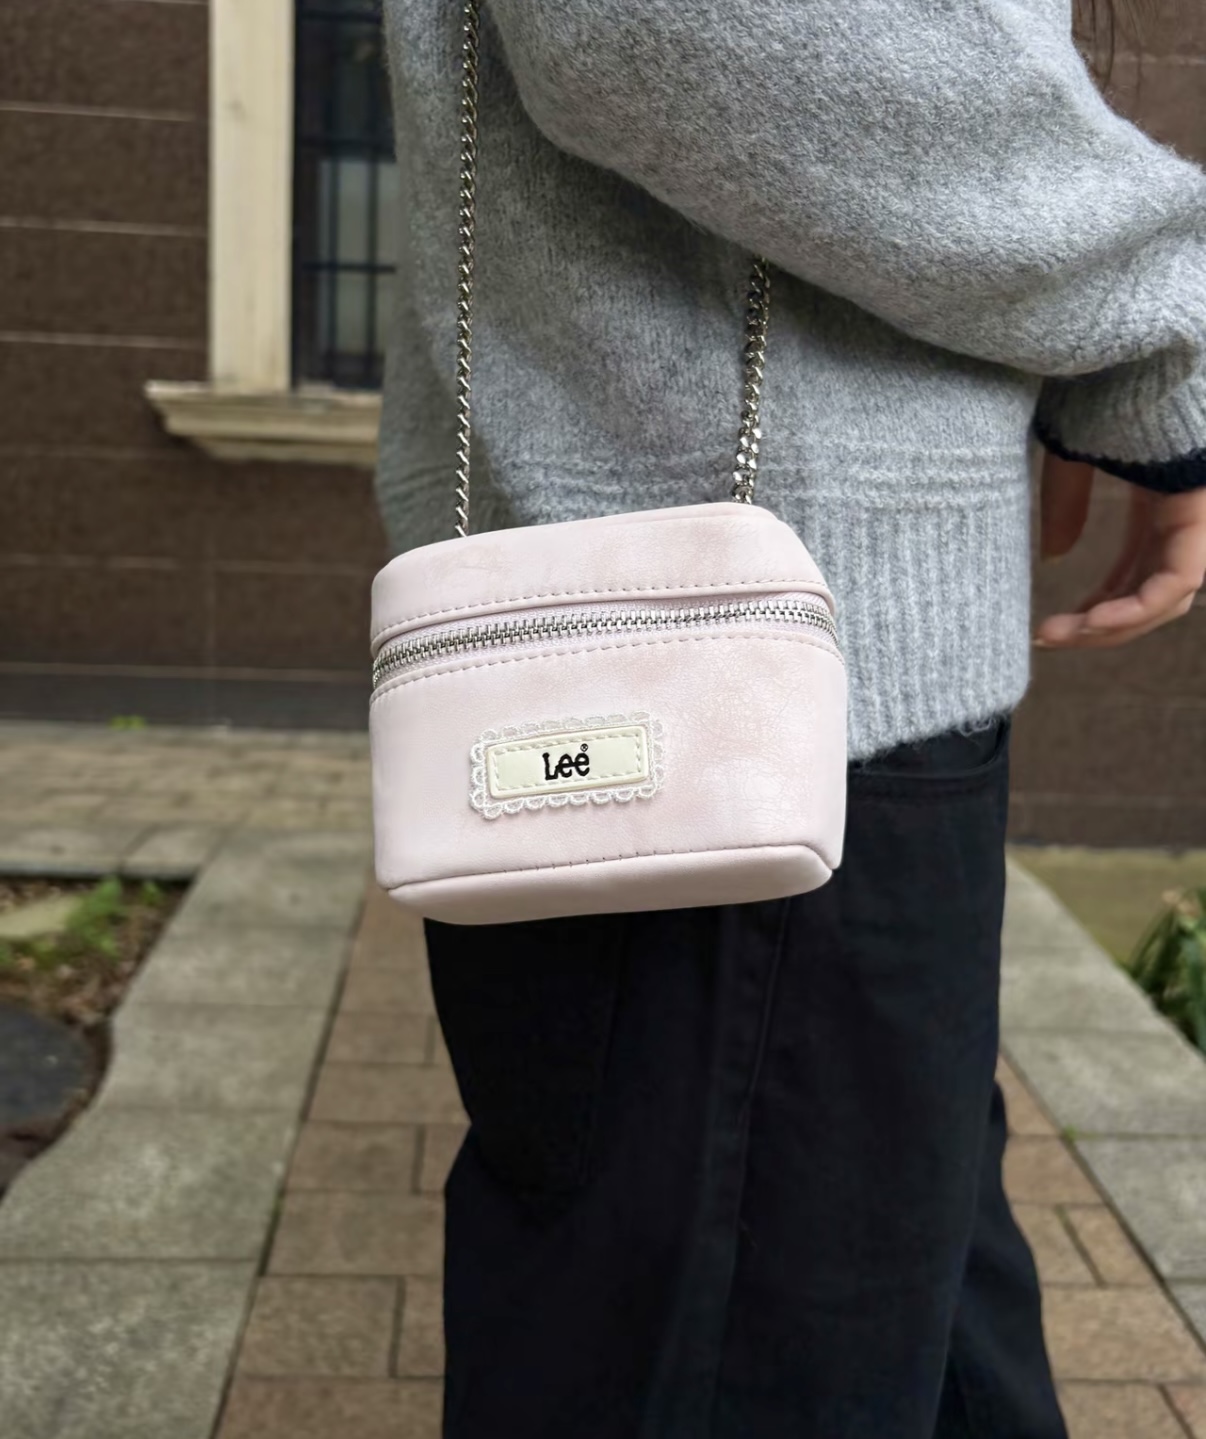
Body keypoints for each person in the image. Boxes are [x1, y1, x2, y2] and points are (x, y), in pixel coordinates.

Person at [377, 2, 1206, 1435]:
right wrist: (1162, 327)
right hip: (737, 699)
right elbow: (676, 30)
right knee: (750, 1330)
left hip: (823, 664)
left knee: (889, 1314)